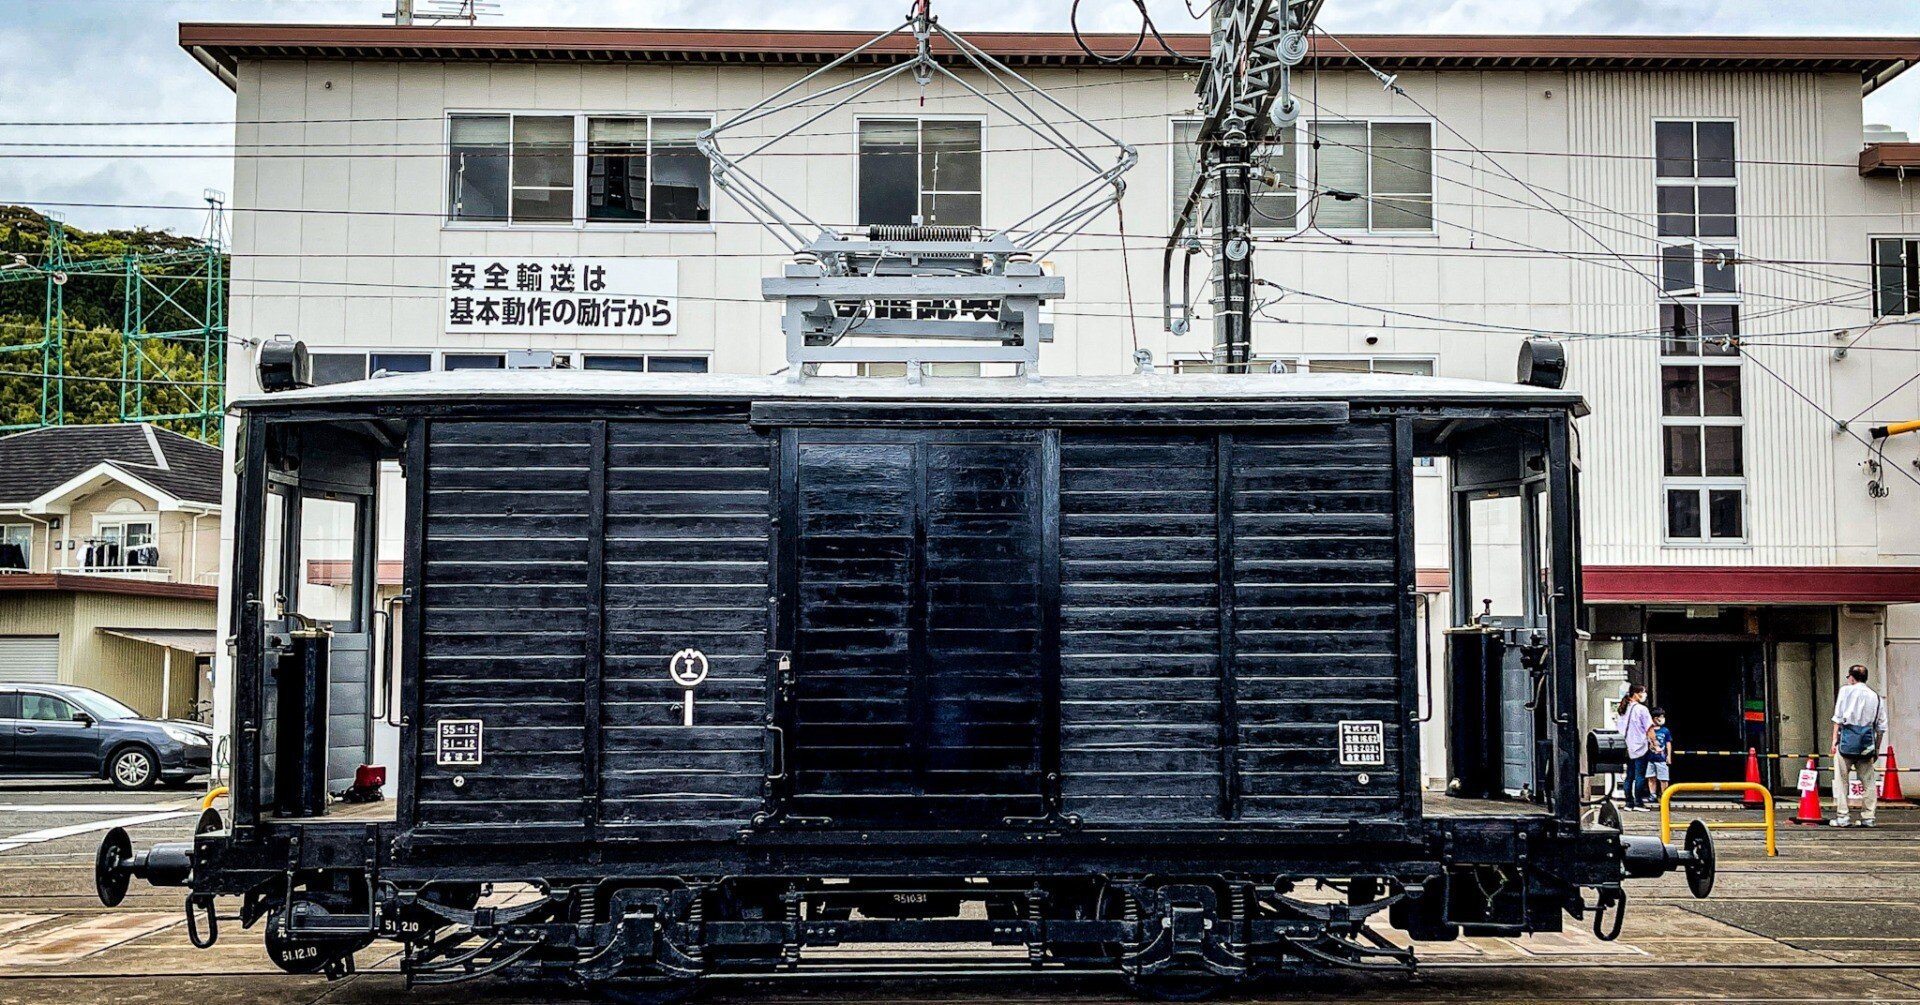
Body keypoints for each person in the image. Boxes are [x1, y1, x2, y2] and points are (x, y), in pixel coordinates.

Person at [1830, 664, 1889, 828]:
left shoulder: (1845, 691)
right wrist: (1876, 748)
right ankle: (1868, 817)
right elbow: (1881, 727)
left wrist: (1834, 741)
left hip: (1846, 742)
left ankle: (1843, 816)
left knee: (1842, 780)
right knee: (1869, 781)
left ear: (1852, 677)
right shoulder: (1876, 697)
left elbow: (1838, 718)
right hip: (1866, 744)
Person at [1617, 684, 1653, 811]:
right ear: (1636, 693)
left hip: (1626, 747)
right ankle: (1638, 803)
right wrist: (1655, 744)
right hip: (1640, 746)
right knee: (1640, 776)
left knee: (1629, 776)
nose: (1644, 695)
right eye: (1643, 692)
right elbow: (1649, 729)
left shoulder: (1622, 708)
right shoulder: (1642, 709)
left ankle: (1628, 803)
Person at [1645, 708, 1672, 801]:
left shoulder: (1665, 730)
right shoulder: (1648, 730)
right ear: (1654, 718)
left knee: (1663, 778)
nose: (1663, 718)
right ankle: (1652, 794)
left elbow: (1668, 743)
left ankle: (1665, 795)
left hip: (1662, 758)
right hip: (1650, 758)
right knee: (1651, 777)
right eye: (1661, 717)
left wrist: (1668, 756)